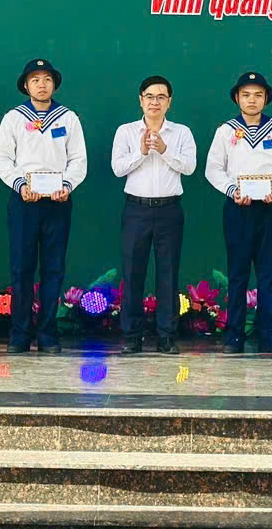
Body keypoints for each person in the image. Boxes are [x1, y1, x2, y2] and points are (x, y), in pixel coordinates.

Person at [0, 58, 87, 354]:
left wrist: (67, 185)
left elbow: (78, 159)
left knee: (53, 269)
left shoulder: (68, 118)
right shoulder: (13, 118)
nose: (41, 85)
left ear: (54, 84)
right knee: (22, 268)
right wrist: (20, 184)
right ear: (26, 85)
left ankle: (47, 333)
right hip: (24, 201)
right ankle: (19, 334)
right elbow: (2, 158)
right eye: (35, 80)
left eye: (47, 79)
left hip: (58, 202)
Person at [205, 71, 272, 356]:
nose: (252, 100)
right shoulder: (226, 131)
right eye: (246, 95)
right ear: (237, 98)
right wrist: (232, 189)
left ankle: (270, 336)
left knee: (268, 275)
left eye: (258, 95)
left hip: (270, 207)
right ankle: (234, 336)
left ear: (266, 98)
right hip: (238, 208)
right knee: (237, 274)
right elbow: (213, 169)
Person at [111, 75, 197, 355]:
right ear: (141, 100)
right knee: (132, 273)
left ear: (169, 102)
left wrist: (164, 150)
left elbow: (190, 167)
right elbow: (118, 168)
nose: (155, 102)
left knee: (168, 273)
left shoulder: (181, 133)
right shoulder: (126, 131)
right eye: (150, 96)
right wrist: (141, 152)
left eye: (161, 97)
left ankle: (166, 336)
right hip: (136, 209)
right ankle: (131, 336)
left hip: (169, 210)